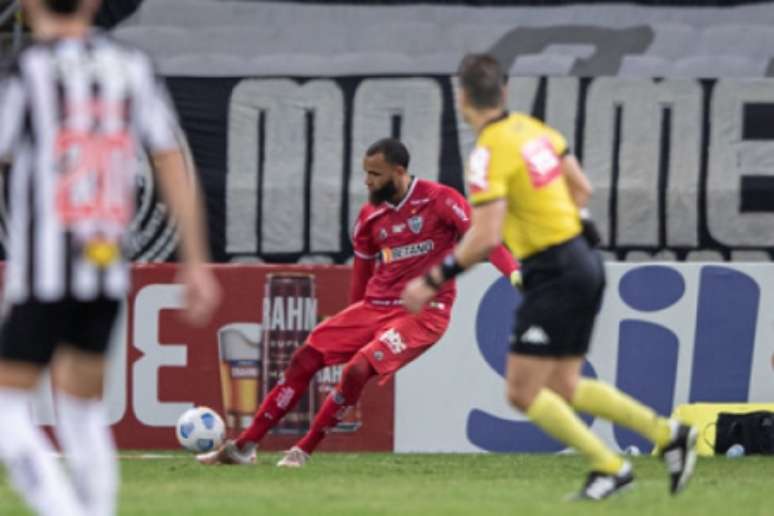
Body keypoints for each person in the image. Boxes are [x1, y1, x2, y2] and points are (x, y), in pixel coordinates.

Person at [401, 54, 698, 501]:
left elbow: (484, 236)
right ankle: (667, 435)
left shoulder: (486, 154)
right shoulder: (537, 131)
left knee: (522, 391)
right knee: (564, 384)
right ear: (504, 92)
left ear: (462, 99)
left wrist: (432, 279)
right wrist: (566, 224)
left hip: (554, 270)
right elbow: (581, 189)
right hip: (583, 261)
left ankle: (612, 466)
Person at [0, 1, 220, 515]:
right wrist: (194, 261)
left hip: (43, 271)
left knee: (7, 408)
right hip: (105, 269)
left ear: (30, 5)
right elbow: (170, 158)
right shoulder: (132, 67)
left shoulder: (26, 71)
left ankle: (64, 511)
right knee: (80, 410)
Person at [198, 137, 519, 467]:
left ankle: (304, 448)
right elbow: (362, 278)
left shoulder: (440, 200)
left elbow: (484, 240)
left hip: (424, 313)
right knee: (303, 359)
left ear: (398, 171)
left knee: (357, 369)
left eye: (375, 174)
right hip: (374, 309)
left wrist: (513, 273)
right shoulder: (369, 216)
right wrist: (352, 323)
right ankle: (244, 446)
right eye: (365, 173)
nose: (367, 181)